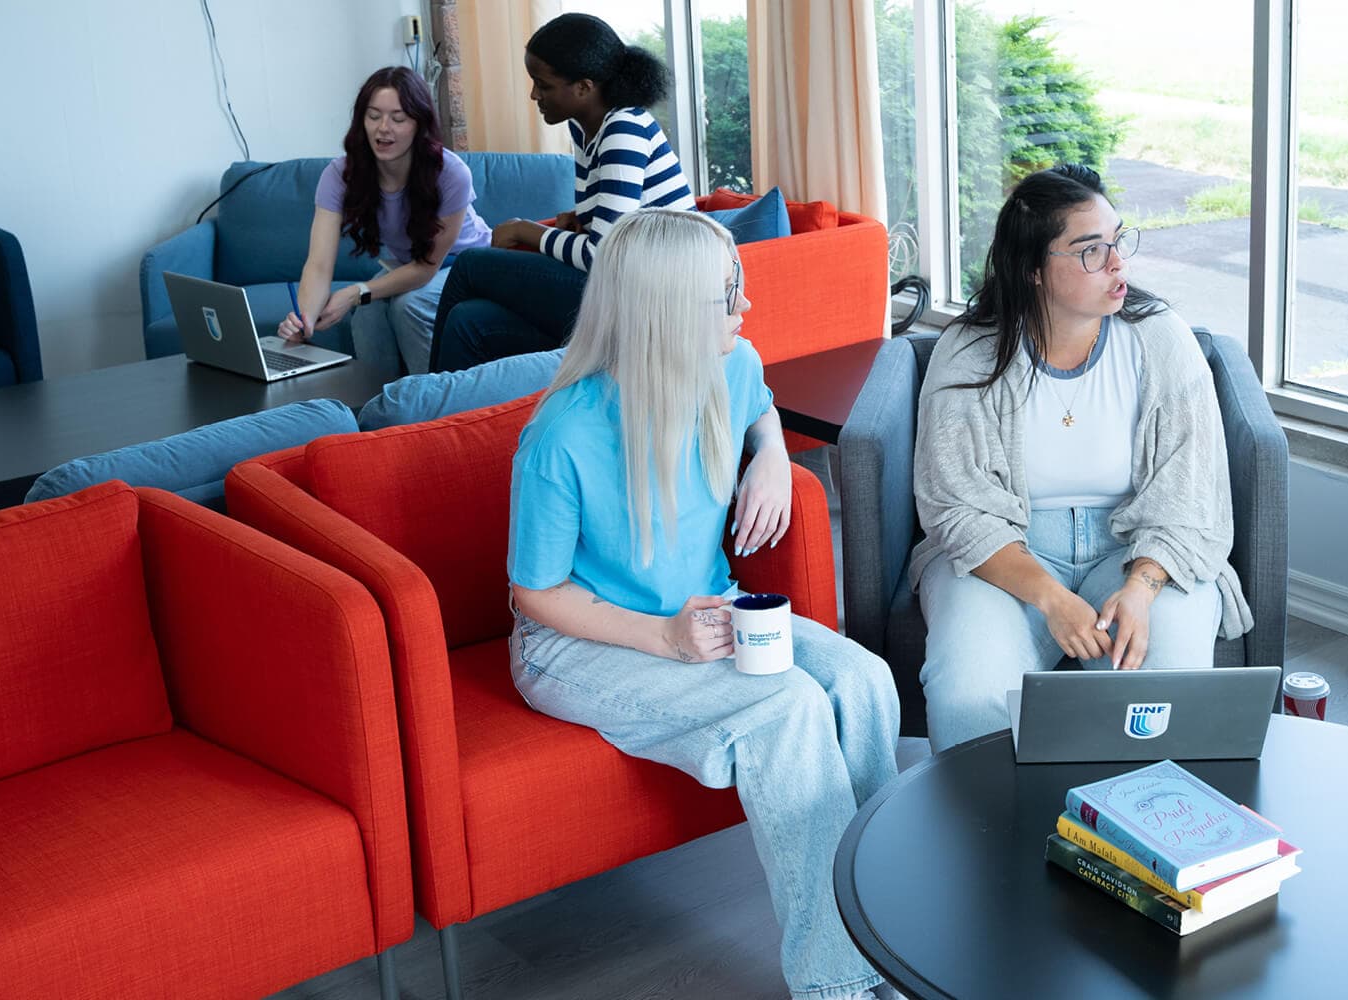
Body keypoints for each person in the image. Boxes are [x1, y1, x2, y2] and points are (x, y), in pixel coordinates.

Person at [505, 208, 901, 1000]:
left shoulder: (731, 363)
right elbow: (535, 594)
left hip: (703, 605)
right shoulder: (563, 435)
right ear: (668, 307)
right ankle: (837, 985)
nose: (744, 308)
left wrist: (769, 459)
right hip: (578, 639)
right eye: (728, 293)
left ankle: (895, 930)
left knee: (862, 680)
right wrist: (664, 637)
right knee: (786, 711)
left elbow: (758, 403)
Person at [910, 164, 1254, 754]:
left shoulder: (1160, 339)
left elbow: (1190, 491)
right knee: (968, 692)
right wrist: (1050, 597)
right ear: (1033, 270)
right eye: (1090, 251)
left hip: (1139, 550)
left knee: (1163, 690)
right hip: (1004, 558)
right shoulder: (968, 352)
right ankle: (983, 838)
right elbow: (956, 507)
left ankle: (1142, 835)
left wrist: (1143, 588)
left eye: (1118, 242)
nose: (1117, 264)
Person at [430, 12, 697, 372]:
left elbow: (602, 254)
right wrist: (579, 222)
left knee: (471, 264)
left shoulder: (623, 129)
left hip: (650, 300)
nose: (534, 94)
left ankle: (423, 406)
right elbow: (610, 229)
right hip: (620, 288)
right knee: (468, 320)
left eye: (543, 84)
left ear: (584, 87)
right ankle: (448, 420)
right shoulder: (585, 130)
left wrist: (529, 231)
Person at [280, 66, 491, 375]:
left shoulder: (451, 173)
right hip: (409, 267)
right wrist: (305, 321)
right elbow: (319, 263)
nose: (383, 128)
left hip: (465, 264)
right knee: (367, 315)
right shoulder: (340, 175)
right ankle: (379, 410)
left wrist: (355, 293)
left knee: (410, 307)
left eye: (398, 118)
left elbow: (427, 267)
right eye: (374, 116)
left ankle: (434, 410)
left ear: (419, 124)